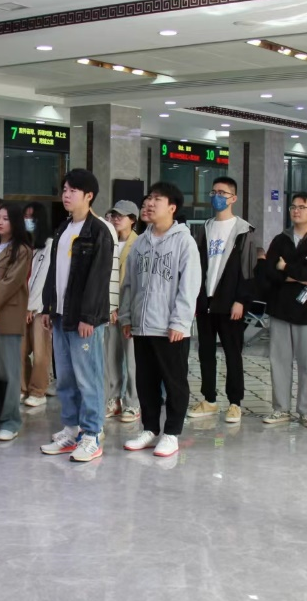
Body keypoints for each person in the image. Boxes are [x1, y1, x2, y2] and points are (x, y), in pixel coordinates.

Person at [120, 182, 202, 457]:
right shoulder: (140, 242)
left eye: (158, 199)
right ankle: (150, 428)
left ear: (172, 207)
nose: (150, 203)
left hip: (170, 327)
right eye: (150, 198)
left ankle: (172, 433)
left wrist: (180, 322)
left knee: (174, 381)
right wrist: (127, 316)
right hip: (142, 326)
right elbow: (129, 284)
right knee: (146, 381)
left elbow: (189, 286)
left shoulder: (184, 241)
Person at [39, 168, 115, 462]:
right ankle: (71, 429)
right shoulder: (63, 228)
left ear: (89, 195)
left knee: (88, 378)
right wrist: (48, 307)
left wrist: (89, 317)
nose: (66, 195)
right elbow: (54, 272)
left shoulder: (99, 231)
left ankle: (92, 434)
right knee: (66, 378)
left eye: (73, 190)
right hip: (61, 315)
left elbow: (99, 278)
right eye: (64, 190)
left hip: (84, 320)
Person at [257, 191, 307, 427]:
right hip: (280, 308)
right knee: (279, 360)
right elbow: (269, 273)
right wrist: (298, 277)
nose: (296, 211)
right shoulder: (280, 239)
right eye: (293, 207)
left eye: (302, 207)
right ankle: (281, 409)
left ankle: (306, 411)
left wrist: (286, 267)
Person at [190, 175, 258, 425]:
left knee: (232, 353)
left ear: (233, 198)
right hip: (205, 302)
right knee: (206, 352)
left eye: (222, 193)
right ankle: (209, 399)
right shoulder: (204, 228)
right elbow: (197, 266)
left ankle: (235, 403)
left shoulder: (244, 230)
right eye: (214, 192)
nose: (216, 197)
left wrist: (241, 300)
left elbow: (249, 271)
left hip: (231, 304)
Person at [0, 202, 33, 441]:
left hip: (7, 318)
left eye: (5, 218)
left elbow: (9, 283)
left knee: (7, 371)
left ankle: (10, 421)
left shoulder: (22, 250)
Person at [105, 200, 141, 424]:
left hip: (130, 309)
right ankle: (113, 399)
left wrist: (123, 308)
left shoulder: (139, 243)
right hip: (108, 309)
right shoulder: (108, 241)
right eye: (114, 215)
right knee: (110, 357)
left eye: (122, 216)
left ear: (133, 220)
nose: (117, 219)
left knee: (132, 359)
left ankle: (133, 402)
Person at [22, 201, 53, 407]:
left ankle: (38, 390)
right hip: (21, 306)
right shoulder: (25, 246)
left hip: (40, 308)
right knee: (20, 350)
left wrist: (31, 307)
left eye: (32, 217)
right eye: (25, 217)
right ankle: (22, 387)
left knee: (41, 351)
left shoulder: (49, 245)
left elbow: (42, 279)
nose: (28, 221)